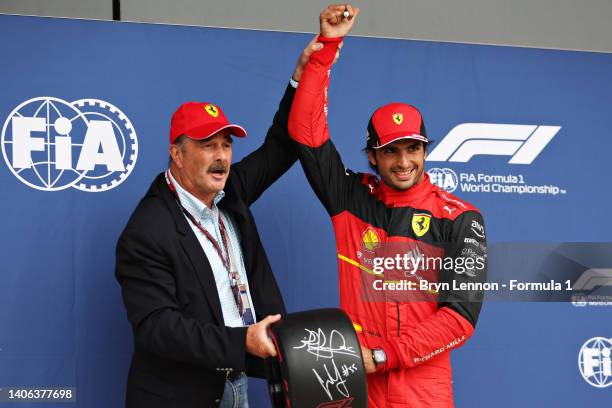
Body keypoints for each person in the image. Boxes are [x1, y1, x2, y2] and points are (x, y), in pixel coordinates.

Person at [115, 38, 338, 408]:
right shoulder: (147, 230)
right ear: (177, 154)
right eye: (207, 145)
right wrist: (242, 342)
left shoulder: (230, 193)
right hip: (179, 397)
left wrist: (302, 75)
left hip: (236, 385)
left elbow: (282, 144)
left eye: (226, 144)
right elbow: (157, 328)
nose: (221, 157)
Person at [287, 5, 487, 407]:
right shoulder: (351, 197)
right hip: (357, 388)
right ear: (373, 157)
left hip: (421, 390)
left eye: (412, 149)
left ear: (425, 151)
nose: (403, 161)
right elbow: (306, 134)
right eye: (390, 151)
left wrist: (383, 357)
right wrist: (327, 46)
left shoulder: (460, 218)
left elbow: (459, 319)